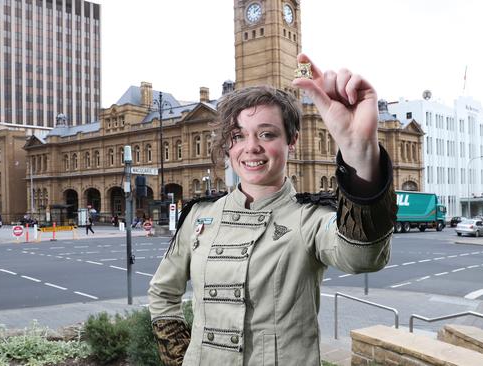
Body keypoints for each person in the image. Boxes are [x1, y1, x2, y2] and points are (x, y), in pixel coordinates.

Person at [147, 54, 397, 366]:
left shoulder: (309, 219)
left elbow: (364, 257)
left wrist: (358, 152)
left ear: (292, 140)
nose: (251, 147)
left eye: (267, 133)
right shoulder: (199, 216)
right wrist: (183, 359)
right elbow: (162, 294)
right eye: (238, 135)